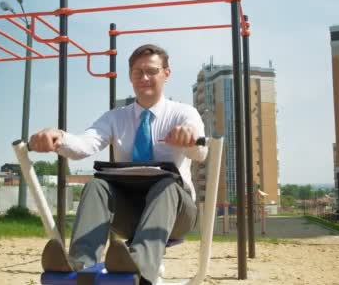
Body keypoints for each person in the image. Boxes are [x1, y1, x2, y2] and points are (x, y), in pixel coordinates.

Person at [30, 44, 208, 285]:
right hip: (130, 213)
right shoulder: (115, 117)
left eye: (152, 71)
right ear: (130, 76)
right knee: (98, 185)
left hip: (176, 212)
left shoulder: (183, 114)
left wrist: (189, 139)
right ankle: (79, 266)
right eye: (137, 72)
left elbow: (201, 152)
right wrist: (58, 137)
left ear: (166, 73)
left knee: (166, 185)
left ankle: (139, 270)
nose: (144, 78)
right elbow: (85, 144)